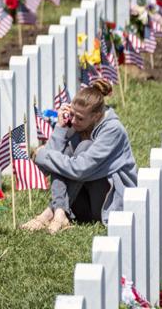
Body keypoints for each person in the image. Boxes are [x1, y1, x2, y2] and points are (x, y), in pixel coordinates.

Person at [22, 80, 138, 233]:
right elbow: (46, 168)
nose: (74, 121)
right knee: (63, 157)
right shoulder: (77, 123)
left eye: (80, 118)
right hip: (83, 205)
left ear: (96, 116)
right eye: (72, 115)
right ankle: (59, 213)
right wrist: (60, 128)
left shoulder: (113, 130)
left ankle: (51, 212)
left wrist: (42, 154)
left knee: (81, 149)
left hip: (110, 204)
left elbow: (80, 169)